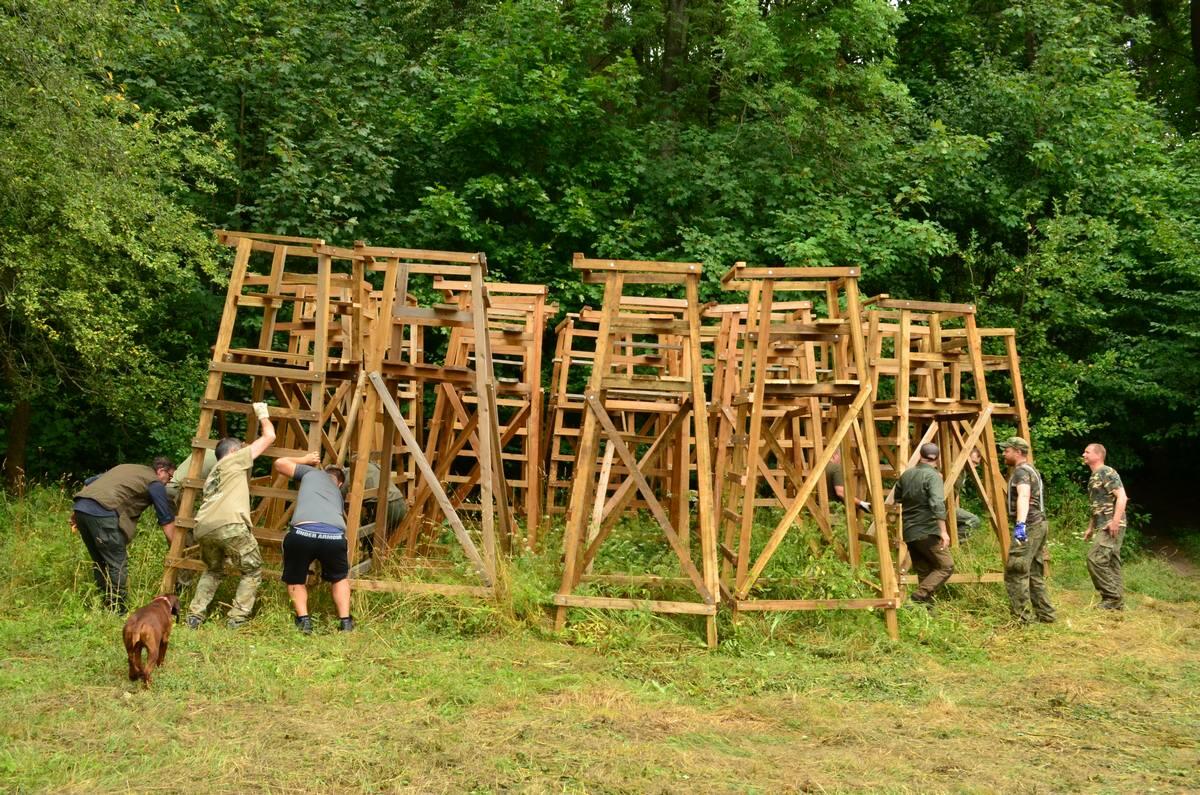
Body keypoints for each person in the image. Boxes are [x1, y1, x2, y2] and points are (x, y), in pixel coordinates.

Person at [185, 403, 276, 629]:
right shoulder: (234, 460)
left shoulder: (213, 474)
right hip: (230, 525)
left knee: (213, 570)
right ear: (234, 451)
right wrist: (262, 413)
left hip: (203, 527)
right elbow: (269, 436)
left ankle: (195, 616)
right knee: (252, 569)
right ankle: (236, 618)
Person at [72, 457, 177, 612]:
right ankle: (118, 609)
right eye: (169, 477)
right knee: (117, 563)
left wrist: (77, 512)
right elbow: (166, 520)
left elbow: (89, 482)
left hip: (81, 509)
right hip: (104, 513)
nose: (168, 482)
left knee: (100, 561)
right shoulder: (155, 483)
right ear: (161, 471)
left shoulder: (126, 468)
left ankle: (101, 603)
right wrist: (176, 548)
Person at [274, 451, 354, 634]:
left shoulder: (311, 473)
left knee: (295, 578)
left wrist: (305, 460)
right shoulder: (338, 494)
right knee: (339, 578)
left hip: (302, 533)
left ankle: (304, 621)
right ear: (339, 483)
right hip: (334, 537)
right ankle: (345, 623)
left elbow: (279, 462)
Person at [1000, 436, 1056, 624]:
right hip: (1039, 524)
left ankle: (1022, 618)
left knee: (1016, 570)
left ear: (1018, 452)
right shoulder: (1032, 470)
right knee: (1033, 572)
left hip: (1030, 526)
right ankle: (1046, 614)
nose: (1003, 454)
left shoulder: (1021, 472)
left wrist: (1020, 525)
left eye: (1007, 450)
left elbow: (1024, 496)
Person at [894, 443, 953, 605]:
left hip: (909, 532)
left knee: (924, 572)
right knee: (946, 566)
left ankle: (925, 612)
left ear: (920, 455)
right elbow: (937, 504)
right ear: (937, 459)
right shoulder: (933, 476)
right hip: (927, 530)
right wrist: (943, 531)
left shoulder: (906, 475)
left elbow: (897, 498)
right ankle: (918, 596)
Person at [1082, 443, 1129, 610]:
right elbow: (1097, 505)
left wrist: (1115, 522)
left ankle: (1111, 598)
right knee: (1111, 562)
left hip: (1111, 525)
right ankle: (1117, 602)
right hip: (1104, 524)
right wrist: (1090, 527)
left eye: (1087, 452)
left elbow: (1122, 497)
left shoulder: (1106, 472)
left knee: (1095, 559)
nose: (1084, 455)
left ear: (1098, 455)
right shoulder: (1095, 475)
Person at [952, 448, 984, 539]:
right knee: (974, 520)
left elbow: (955, 492)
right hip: (942, 507)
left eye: (977, 464)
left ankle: (953, 541)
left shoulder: (964, 472)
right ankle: (954, 542)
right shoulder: (954, 469)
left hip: (950, 507)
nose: (974, 466)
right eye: (973, 462)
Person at [825, 449, 870, 513]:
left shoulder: (820, 468)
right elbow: (840, 492)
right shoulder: (836, 468)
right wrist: (861, 503)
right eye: (840, 457)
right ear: (834, 455)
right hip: (835, 510)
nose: (841, 460)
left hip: (821, 510)